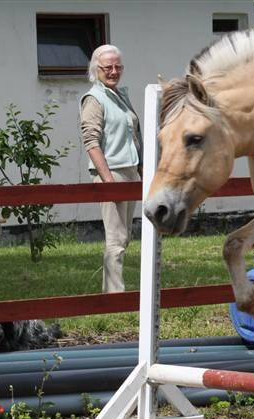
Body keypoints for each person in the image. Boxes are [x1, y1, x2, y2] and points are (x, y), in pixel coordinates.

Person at [80, 45, 142, 293]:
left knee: (125, 237)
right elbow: (91, 142)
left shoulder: (120, 95)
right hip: (112, 174)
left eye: (118, 66)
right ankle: (114, 296)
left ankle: (115, 290)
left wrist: (142, 170)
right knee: (115, 239)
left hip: (131, 171)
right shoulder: (94, 99)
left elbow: (135, 136)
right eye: (108, 67)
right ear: (97, 69)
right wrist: (108, 180)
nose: (114, 71)